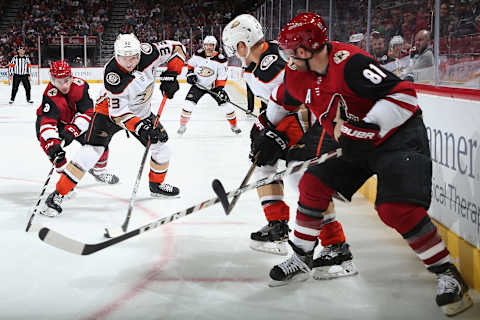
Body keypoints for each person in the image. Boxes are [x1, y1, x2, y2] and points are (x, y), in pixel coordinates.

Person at [257, 12, 472, 316]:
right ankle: (302, 256)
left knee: (395, 210)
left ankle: (447, 273)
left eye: (291, 52)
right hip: (353, 138)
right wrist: (265, 129)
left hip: (398, 136)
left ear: (305, 51)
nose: (287, 58)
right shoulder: (297, 74)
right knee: (312, 183)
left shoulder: (351, 63)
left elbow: (405, 96)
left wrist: (369, 127)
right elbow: (283, 100)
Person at [223, 14, 358, 280]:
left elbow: (307, 102)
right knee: (264, 164)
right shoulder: (256, 65)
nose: (234, 54)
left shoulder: (274, 64)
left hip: (318, 123)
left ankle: (337, 247)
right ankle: (277, 227)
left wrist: (281, 134)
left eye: (233, 48)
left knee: (303, 177)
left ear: (242, 45)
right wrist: (263, 128)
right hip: (295, 123)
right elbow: (276, 104)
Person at [41, 34, 186, 217]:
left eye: (134, 57)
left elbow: (178, 48)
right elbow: (118, 114)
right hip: (107, 114)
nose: (130, 62)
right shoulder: (113, 76)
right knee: (91, 152)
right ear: (117, 55)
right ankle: (57, 195)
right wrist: (141, 127)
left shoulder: (149, 52)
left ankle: (156, 185)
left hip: (142, 112)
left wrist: (173, 73)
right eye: (125, 58)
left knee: (162, 149)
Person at [36, 60, 119, 196]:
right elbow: (47, 122)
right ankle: (66, 182)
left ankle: (99, 172)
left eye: (67, 80)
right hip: (53, 122)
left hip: (76, 121)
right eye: (59, 81)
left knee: (99, 140)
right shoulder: (50, 95)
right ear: (52, 80)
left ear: (71, 76)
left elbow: (89, 113)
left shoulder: (80, 87)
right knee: (55, 152)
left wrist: (73, 129)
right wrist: (52, 141)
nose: (64, 85)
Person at [178, 35, 241, 135]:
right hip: (198, 85)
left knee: (228, 107)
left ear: (215, 46)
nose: (209, 47)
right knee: (187, 105)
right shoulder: (198, 54)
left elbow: (222, 77)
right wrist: (190, 74)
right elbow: (190, 65)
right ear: (204, 45)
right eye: (207, 45)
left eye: (211, 45)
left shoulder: (221, 59)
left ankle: (234, 126)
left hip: (214, 88)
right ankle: (182, 126)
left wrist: (220, 89)